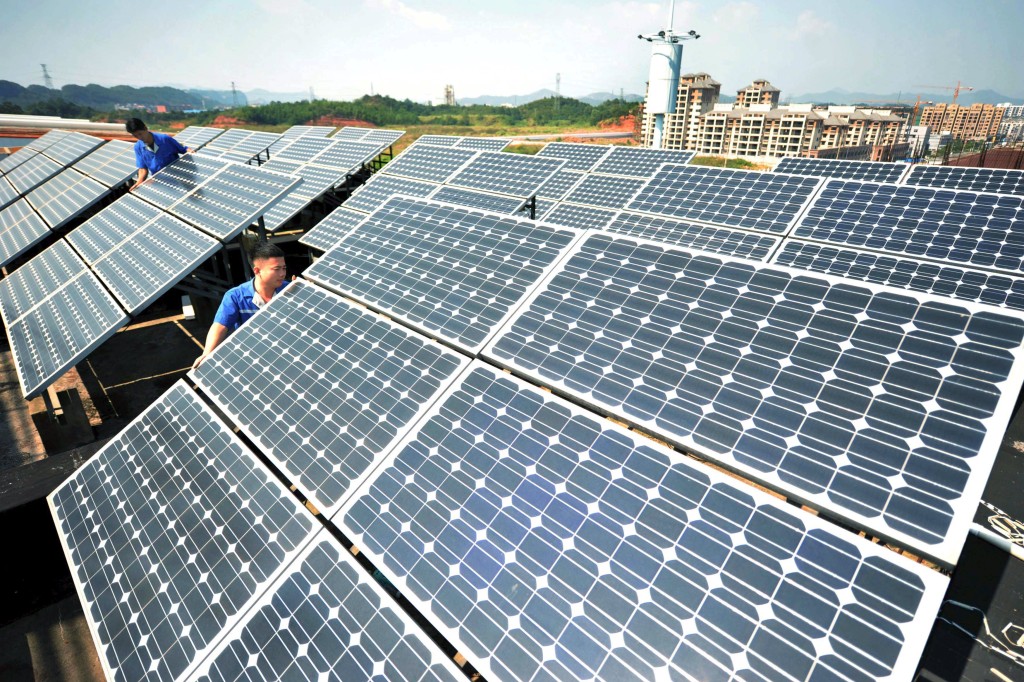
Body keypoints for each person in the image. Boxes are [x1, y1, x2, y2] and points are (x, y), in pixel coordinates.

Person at [192, 242, 291, 369]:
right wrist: (207, 353)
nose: (282, 273)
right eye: (277, 269)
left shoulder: (290, 289)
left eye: (284, 268)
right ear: (257, 270)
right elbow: (220, 326)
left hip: (285, 353)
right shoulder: (235, 296)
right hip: (252, 359)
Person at [125, 117, 192, 190]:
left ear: (145, 128)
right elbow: (142, 169)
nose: (139, 137)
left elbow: (183, 150)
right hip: (160, 182)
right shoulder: (138, 147)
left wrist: (190, 151)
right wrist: (139, 183)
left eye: (140, 134)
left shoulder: (164, 139)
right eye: (135, 136)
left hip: (178, 179)